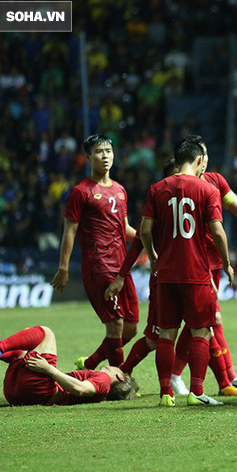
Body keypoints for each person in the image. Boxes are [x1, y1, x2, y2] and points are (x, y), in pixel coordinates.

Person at [170, 134, 237, 396]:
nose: (204, 164)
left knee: (202, 321)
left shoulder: (215, 181)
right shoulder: (180, 187)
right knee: (206, 320)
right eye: (202, 159)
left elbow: (236, 207)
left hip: (212, 262)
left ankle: (186, 376)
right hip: (193, 261)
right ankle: (223, 380)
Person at [140, 139, 234, 407]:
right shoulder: (206, 189)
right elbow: (217, 230)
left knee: (166, 334)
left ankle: (165, 394)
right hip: (196, 272)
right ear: (199, 161)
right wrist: (226, 262)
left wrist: (154, 256)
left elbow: (145, 230)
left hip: (166, 274)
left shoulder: (157, 189)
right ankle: (196, 391)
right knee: (201, 332)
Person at [52, 135, 139, 371]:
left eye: (108, 151)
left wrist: (148, 236)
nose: (105, 156)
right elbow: (69, 231)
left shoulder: (120, 190)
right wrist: (63, 267)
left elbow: (125, 228)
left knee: (131, 327)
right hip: (99, 266)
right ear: (89, 157)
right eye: (99, 152)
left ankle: (89, 364)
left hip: (122, 266)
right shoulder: (81, 192)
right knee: (116, 324)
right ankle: (119, 380)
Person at [0, 327, 137, 406]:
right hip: (15, 394)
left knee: (46, 333)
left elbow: (81, 389)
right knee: (25, 347)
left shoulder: (105, 380)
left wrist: (49, 369)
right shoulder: (102, 385)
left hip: (38, 390)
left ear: (120, 376)